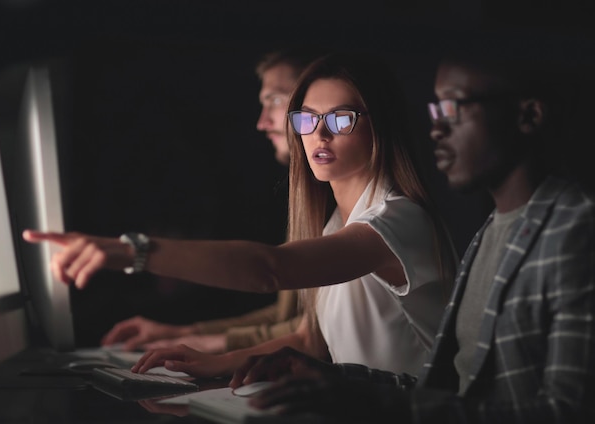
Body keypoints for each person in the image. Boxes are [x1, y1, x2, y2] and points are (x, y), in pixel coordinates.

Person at [23, 51, 458, 379]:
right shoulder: (336, 224)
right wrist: (214, 361)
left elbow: (270, 268)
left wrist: (130, 251)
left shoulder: (399, 220)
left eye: (341, 119)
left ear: (379, 126)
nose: (319, 134)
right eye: (306, 119)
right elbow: (311, 339)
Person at [227, 38, 595, 423]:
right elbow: (445, 391)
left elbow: (570, 412)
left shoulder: (577, 229)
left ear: (529, 115)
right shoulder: (490, 232)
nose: (437, 127)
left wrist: (379, 403)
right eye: (436, 108)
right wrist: (336, 381)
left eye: (454, 106)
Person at [98, 49, 318, 354]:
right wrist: (189, 333)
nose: (262, 123)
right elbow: (294, 316)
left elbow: (272, 271)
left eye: (275, 100)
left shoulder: (362, 213)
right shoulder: (317, 201)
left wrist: (130, 252)